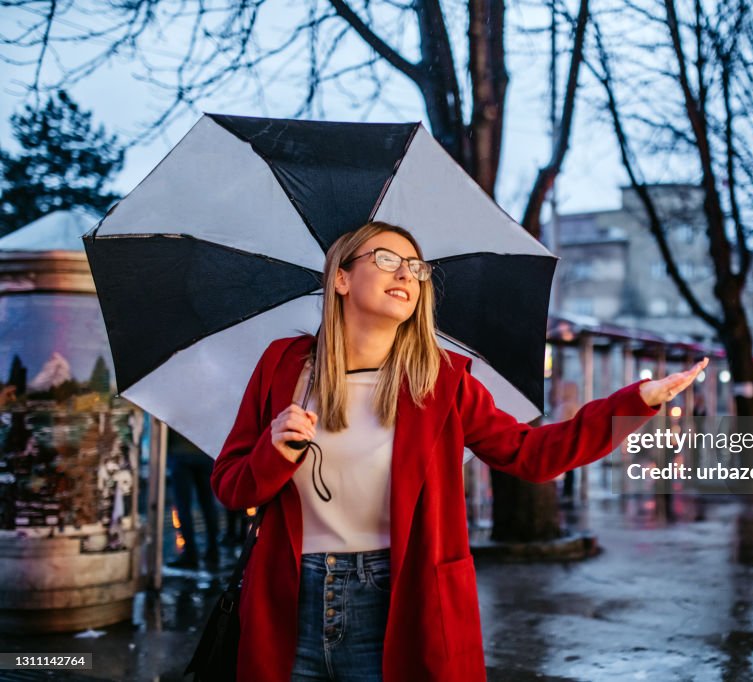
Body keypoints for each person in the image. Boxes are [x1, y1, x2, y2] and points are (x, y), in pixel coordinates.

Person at [210, 222, 708, 682]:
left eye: (416, 267)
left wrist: (634, 401)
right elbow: (232, 486)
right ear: (341, 278)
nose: (407, 273)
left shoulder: (441, 379)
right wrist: (273, 452)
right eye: (386, 259)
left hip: (399, 597)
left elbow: (530, 454)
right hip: (288, 598)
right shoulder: (284, 366)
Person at [167, 428, 220, 569]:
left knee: (183, 507)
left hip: (180, 455)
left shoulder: (175, 405)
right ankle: (213, 551)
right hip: (205, 454)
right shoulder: (209, 405)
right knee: (208, 504)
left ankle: (190, 554)